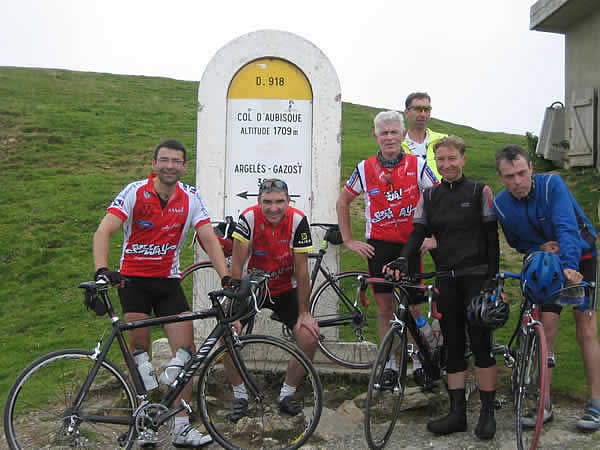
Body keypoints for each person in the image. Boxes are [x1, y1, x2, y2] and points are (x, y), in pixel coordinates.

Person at [93, 139, 229, 448]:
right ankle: (144, 425)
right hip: (134, 282)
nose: (170, 165)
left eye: (176, 161)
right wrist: (102, 271)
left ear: (183, 166)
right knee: (139, 361)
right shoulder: (134, 192)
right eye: (164, 160)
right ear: (154, 164)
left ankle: (181, 426)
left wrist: (227, 276)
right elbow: (104, 230)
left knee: (186, 356)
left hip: (168, 282)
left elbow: (207, 236)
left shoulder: (191, 197)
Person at [385, 136, 500, 439]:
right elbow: (417, 233)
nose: (447, 165)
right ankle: (457, 413)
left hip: (476, 277)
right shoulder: (430, 196)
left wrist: (492, 280)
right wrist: (401, 260)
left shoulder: (479, 192)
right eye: (441, 160)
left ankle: (488, 413)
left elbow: (492, 239)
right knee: (452, 346)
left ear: (463, 159)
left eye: (452, 159)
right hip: (446, 278)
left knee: (480, 343)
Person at [493, 144, 600, 431]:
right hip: (544, 263)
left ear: (531, 169)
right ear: (501, 178)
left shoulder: (553, 184)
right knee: (545, 330)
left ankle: (596, 402)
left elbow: (567, 227)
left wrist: (569, 265)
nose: (517, 181)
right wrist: (538, 248)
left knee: (586, 329)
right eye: (509, 176)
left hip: (581, 258)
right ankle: (544, 402)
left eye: (522, 173)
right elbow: (516, 242)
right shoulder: (501, 204)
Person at [336, 110, 438, 386]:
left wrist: (434, 238)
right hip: (379, 245)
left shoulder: (418, 165)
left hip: (411, 245)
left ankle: (419, 360)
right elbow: (343, 201)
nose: (390, 137)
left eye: (395, 132)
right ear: (376, 137)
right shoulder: (364, 168)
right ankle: (391, 364)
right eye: (384, 133)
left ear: (403, 135)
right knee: (384, 308)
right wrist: (349, 239)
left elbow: (440, 199)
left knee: (415, 308)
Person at [226, 178, 320, 421]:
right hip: (251, 286)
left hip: (284, 287)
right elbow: (237, 265)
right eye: (267, 202)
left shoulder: (298, 220)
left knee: (309, 336)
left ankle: (287, 394)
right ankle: (240, 396)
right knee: (227, 336)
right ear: (258, 202)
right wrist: (235, 308)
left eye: (280, 202)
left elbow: (302, 272)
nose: (273, 208)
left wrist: (304, 313)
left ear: (289, 201)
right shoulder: (248, 217)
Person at [401, 92, 447, 180]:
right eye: (418, 109)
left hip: (440, 193)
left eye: (427, 109)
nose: (422, 114)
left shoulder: (443, 140)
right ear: (406, 113)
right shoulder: (397, 144)